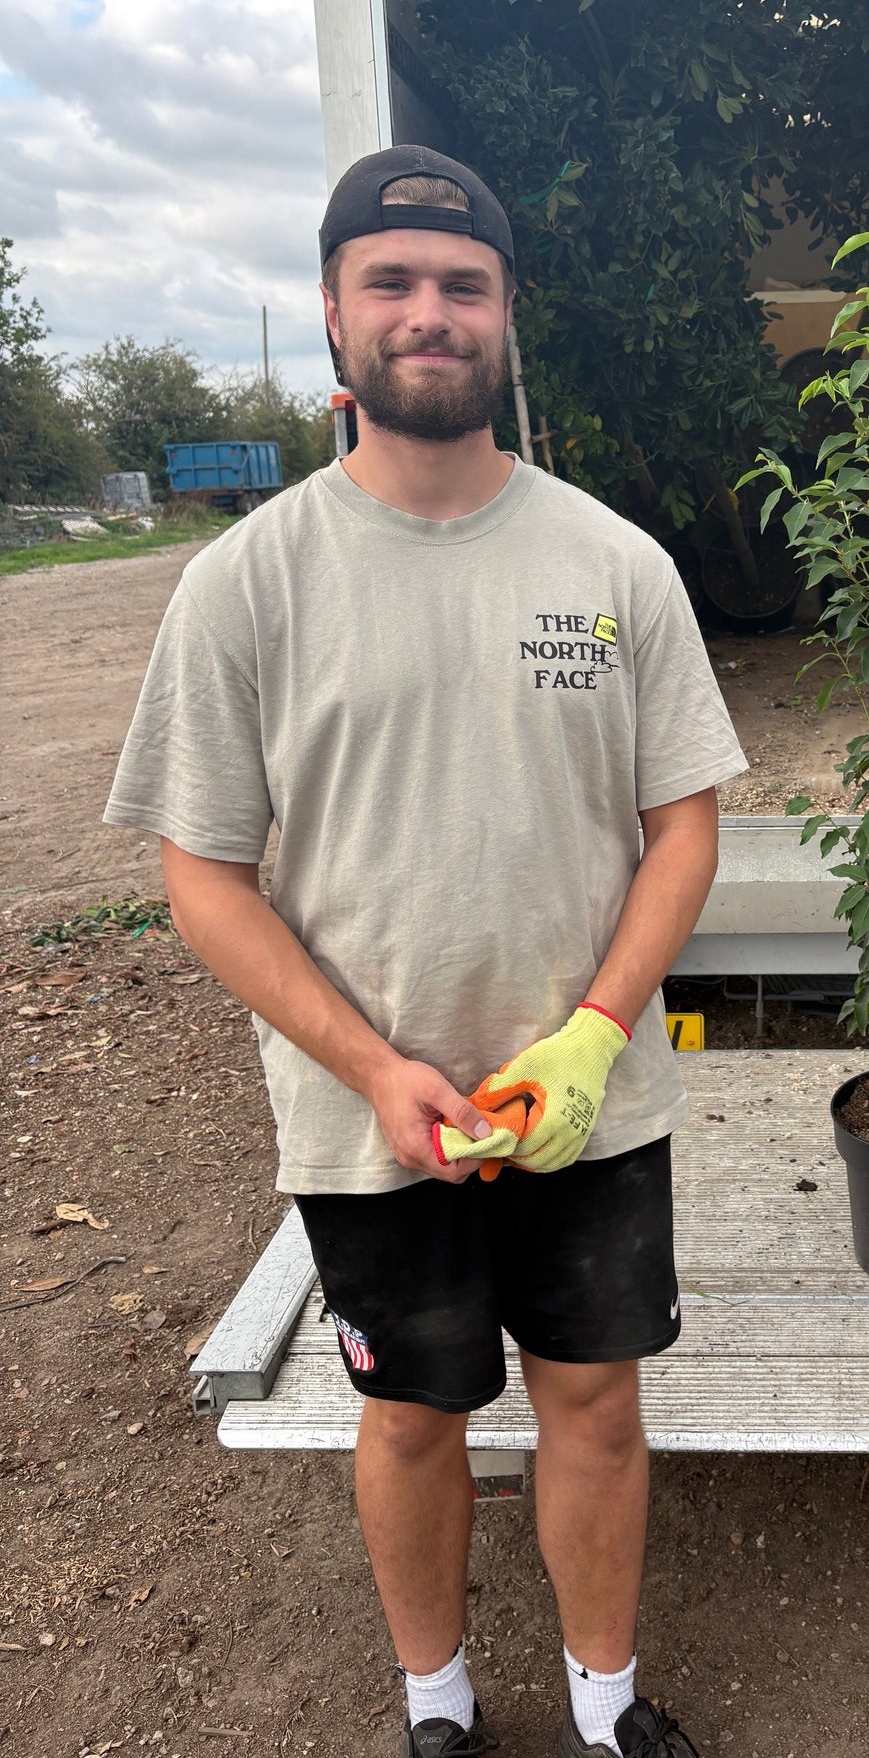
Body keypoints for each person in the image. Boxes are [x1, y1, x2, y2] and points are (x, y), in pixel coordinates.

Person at [103, 145, 750, 1758]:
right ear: (332, 315)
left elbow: (684, 828)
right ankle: (439, 1708)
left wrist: (599, 1030)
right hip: (365, 1115)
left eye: (462, 285)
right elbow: (207, 879)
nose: (427, 312)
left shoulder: (612, 565)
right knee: (409, 1415)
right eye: (389, 281)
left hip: (584, 1105)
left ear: (505, 317)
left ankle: (604, 1706)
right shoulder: (246, 585)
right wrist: (377, 1069)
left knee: (594, 1402)